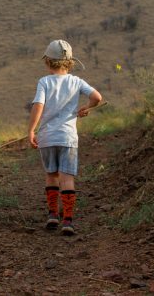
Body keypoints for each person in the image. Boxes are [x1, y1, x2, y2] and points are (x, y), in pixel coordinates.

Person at [27, 39, 102, 236]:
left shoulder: (44, 82)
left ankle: (52, 215)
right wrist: (86, 108)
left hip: (47, 137)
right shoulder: (77, 81)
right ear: (70, 62)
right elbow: (97, 97)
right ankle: (68, 220)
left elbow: (38, 106)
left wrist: (32, 130)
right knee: (67, 178)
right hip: (68, 138)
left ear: (47, 62)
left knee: (51, 175)